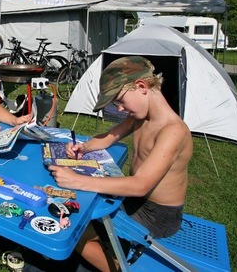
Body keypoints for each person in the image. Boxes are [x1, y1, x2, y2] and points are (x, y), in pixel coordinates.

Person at [48, 56, 193, 271]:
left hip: (158, 216)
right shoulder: (140, 116)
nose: (120, 109)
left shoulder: (173, 131)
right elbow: (109, 137)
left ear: (141, 86)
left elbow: (140, 185)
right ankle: (103, 247)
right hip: (135, 201)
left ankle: (117, 267)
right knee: (79, 211)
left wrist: (76, 180)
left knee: (73, 227)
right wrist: (84, 147)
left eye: (120, 101)